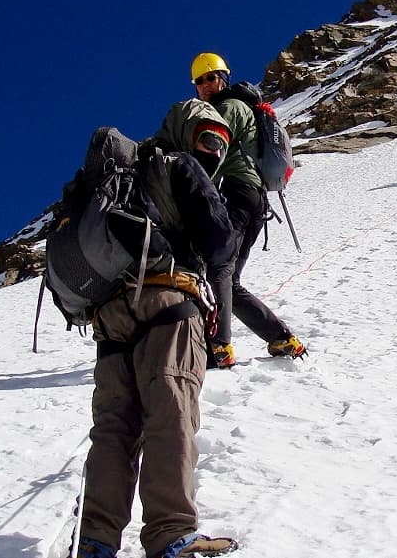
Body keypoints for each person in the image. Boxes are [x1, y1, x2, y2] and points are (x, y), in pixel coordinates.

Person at [74, 146, 240, 558]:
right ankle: (171, 533)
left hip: (109, 314)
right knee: (170, 411)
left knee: (114, 427)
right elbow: (220, 242)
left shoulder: (100, 188)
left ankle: (96, 541)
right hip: (170, 297)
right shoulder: (172, 164)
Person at [156, 52, 308, 369]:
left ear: (223, 78)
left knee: (219, 270)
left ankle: (219, 346)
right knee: (230, 279)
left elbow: (214, 148)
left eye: (211, 77)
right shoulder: (240, 107)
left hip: (238, 195)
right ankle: (281, 338)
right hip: (250, 198)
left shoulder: (229, 108)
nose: (206, 85)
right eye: (200, 81)